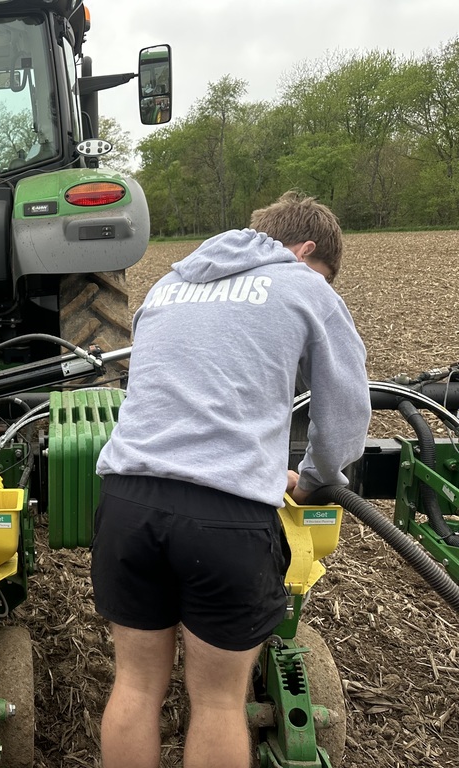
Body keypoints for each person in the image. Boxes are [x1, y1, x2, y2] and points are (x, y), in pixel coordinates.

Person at [92, 190, 371, 768]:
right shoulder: (304, 287)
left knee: (135, 685)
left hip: (127, 503)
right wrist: (314, 480)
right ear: (304, 251)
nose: (322, 284)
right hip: (226, 517)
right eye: (323, 274)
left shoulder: (167, 286)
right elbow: (345, 417)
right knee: (219, 702)